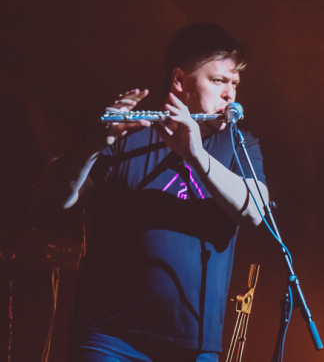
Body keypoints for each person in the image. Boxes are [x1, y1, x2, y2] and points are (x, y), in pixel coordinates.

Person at [48, 23, 269, 362]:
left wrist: (195, 155)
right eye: (218, 81)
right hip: (109, 338)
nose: (230, 94)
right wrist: (94, 144)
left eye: (234, 83)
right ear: (179, 80)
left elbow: (254, 213)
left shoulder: (240, 145)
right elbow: (58, 199)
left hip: (194, 346)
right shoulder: (128, 135)